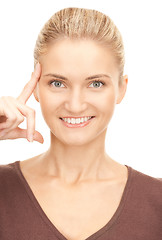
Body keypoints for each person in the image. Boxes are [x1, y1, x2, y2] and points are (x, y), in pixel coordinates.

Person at [0, 7, 162, 240]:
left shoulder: (157, 202)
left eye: (95, 84)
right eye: (58, 83)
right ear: (35, 87)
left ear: (121, 88)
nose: (75, 105)